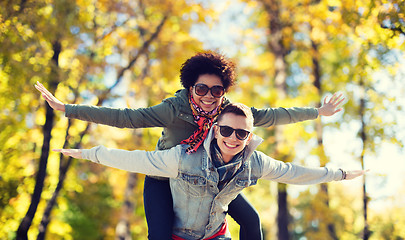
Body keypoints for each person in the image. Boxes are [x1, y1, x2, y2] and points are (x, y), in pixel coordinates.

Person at [36, 51, 345, 240]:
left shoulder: (231, 113)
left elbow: (273, 115)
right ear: (190, 88)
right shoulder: (174, 108)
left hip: (209, 177)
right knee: (160, 235)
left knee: (251, 221)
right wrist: (69, 109)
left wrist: (318, 112)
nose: (209, 96)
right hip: (166, 175)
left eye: (217, 90)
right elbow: (126, 117)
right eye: (201, 89)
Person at [54, 103, 367, 240]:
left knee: (252, 220)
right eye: (227, 131)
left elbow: (293, 172)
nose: (233, 139)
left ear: (249, 136)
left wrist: (337, 174)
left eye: (241, 134)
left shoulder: (254, 162)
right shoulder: (183, 158)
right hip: (178, 234)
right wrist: (90, 154)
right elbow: (137, 159)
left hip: (215, 235)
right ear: (216, 130)